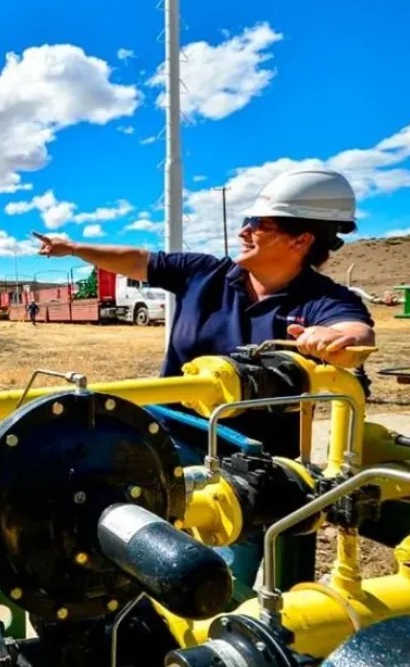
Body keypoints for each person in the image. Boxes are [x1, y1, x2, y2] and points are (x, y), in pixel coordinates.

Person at [33, 168, 375, 602]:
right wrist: (73, 248)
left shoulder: (323, 300)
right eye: (249, 219)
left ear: (301, 240)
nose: (245, 230)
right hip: (166, 433)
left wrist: (336, 341)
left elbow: (357, 333)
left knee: (216, 588)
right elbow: (139, 259)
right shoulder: (205, 273)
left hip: (249, 467)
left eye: (261, 224)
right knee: (131, 541)